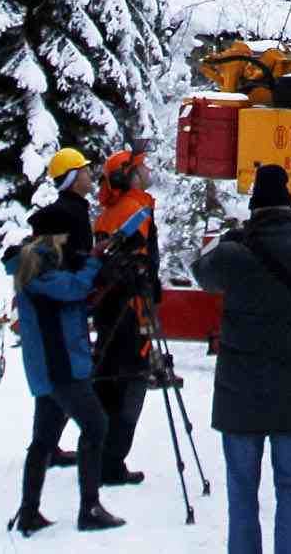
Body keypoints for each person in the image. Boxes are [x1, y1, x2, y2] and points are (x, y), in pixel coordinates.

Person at [194, 163, 291, 554]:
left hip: (238, 397)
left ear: (253, 210)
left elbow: (200, 273)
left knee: (241, 495)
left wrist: (231, 239)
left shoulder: (232, 255)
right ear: (289, 208)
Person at [14, 148, 128, 534]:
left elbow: (73, 296)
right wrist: (95, 261)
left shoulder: (40, 261)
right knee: (95, 426)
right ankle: (89, 508)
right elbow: (72, 288)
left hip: (55, 362)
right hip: (59, 363)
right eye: (65, 236)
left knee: (43, 440)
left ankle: (29, 511)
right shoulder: (37, 266)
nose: (70, 242)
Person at [85, 143, 160, 492]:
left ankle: (99, 453)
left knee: (108, 377)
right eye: (140, 168)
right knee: (133, 378)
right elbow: (145, 260)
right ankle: (113, 460)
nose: (147, 172)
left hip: (108, 308)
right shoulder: (137, 209)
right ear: (128, 176)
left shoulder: (105, 215)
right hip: (132, 308)